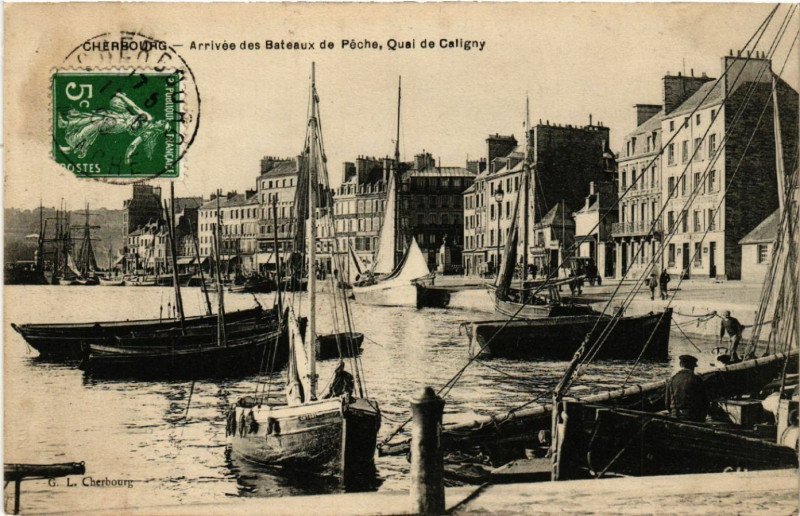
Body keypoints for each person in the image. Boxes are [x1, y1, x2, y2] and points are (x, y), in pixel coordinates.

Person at [665, 354, 708, 422]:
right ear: (692, 366)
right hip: (692, 417)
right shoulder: (696, 379)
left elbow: (667, 403)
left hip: (675, 416)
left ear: (680, 364)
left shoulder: (672, 379)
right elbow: (704, 402)